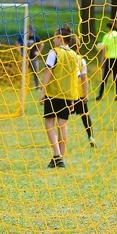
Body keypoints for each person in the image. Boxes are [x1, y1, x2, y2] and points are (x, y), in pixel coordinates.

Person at [39, 25, 81, 168]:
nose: (53, 39)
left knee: (49, 124)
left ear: (60, 38)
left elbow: (48, 72)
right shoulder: (75, 55)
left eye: (55, 36)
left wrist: (42, 91)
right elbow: (77, 77)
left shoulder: (54, 52)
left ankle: (57, 155)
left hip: (53, 93)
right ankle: (60, 158)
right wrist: (73, 98)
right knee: (62, 126)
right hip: (68, 95)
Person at [71, 34, 96, 147]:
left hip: (66, 93)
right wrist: (86, 94)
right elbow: (84, 78)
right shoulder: (82, 60)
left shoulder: (64, 58)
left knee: (62, 117)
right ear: (79, 46)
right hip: (79, 93)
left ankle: (60, 139)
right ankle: (91, 136)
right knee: (84, 114)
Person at [96, 20, 117, 101]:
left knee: (104, 78)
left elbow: (104, 50)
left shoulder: (107, 36)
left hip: (109, 59)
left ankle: (100, 95)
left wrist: (102, 61)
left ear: (108, 28)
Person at [17, 23, 42, 88]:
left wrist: (38, 52)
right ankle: (23, 86)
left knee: (35, 72)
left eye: (31, 30)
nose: (30, 31)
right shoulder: (23, 36)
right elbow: (17, 43)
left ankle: (37, 87)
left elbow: (42, 44)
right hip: (25, 58)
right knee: (23, 72)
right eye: (29, 29)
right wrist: (20, 51)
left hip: (33, 57)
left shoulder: (35, 37)